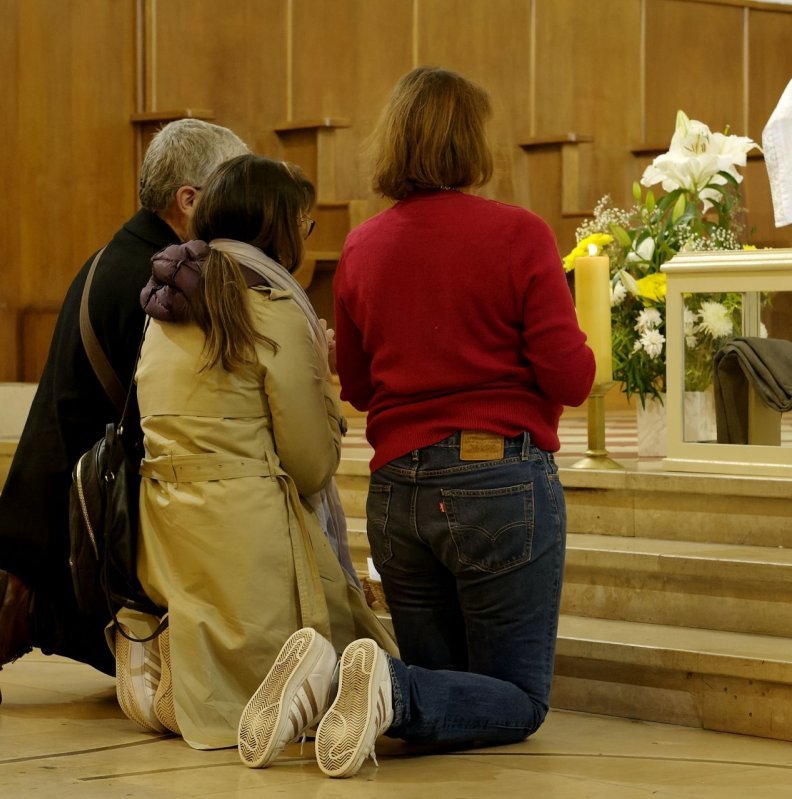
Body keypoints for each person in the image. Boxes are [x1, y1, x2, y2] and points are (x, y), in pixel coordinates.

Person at [250, 66, 596, 778]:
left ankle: (327, 681)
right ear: (473, 144)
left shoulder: (363, 247)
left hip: (396, 494)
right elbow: (571, 378)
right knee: (520, 700)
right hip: (499, 484)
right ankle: (384, 681)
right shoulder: (520, 235)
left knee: (449, 713)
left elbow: (365, 388)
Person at [0, 119, 249, 711]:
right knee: (161, 644)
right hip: (98, 514)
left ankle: (23, 593)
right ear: (189, 201)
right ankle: (33, 614)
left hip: (51, 498)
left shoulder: (108, 258)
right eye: (229, 191)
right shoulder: (164, 282)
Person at [123, 154, 395, 750]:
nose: (304, 235)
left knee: (211, 669)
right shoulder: (271, 310)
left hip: (168, 529)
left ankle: (165, 684)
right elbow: (310, 465)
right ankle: (289, 692)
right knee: (355, 663)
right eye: (302, 222)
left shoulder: (163, 310)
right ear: (277, 226)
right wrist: (322, 379)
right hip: (246, 537)